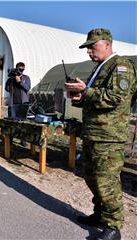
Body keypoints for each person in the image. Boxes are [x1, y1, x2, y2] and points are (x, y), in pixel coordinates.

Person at [65, 28, 137, 240]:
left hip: (109, 135)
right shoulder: (101, 68)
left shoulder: (120, 65)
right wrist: (81, 98)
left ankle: (113, 226)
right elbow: (97, 97)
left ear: (107, 44)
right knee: (91, 176)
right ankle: (100, 214)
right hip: (94, 132)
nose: (89, 52)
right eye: (87, 47)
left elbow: (117, 98)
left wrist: (85, 91)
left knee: (106, 180)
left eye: (92, 46)